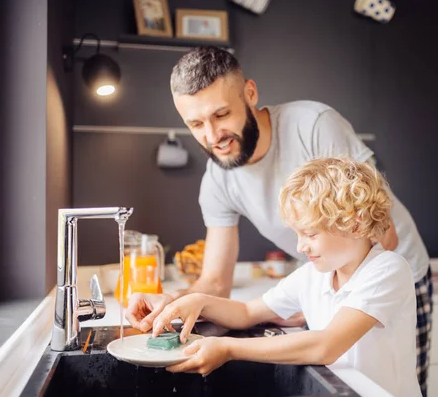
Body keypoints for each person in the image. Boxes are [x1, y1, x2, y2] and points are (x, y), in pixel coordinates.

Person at [126, 46, 433, 395]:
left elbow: (384, 237)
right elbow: (217, 284)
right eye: (196, 124)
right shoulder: (220, 181)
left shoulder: (313, 127)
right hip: (331, 265)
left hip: (390, 262)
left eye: (221, 114)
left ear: (250, 94)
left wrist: (232, 347)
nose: (211, 137)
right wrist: (179, 301)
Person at [152, 157, 422, 397]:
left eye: (311, 234)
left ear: (356, 224)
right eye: (297, 234)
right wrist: (199, 301)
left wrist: (228, 348)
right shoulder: (313, 275)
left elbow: (326, 346)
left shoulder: (387, 269)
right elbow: (247, 312)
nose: (300, 247)